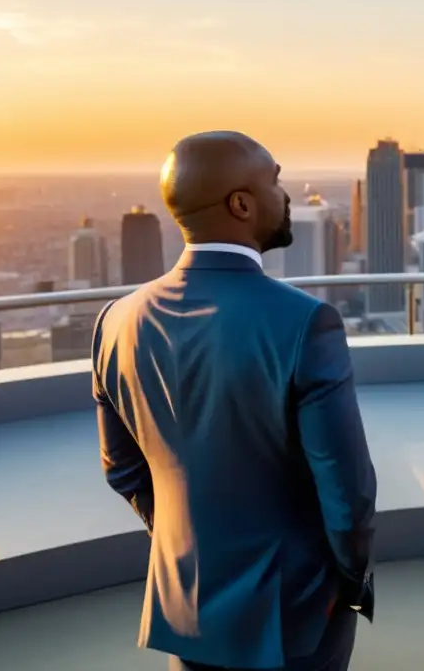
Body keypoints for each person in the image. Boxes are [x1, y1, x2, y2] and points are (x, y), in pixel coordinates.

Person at [92, 131, 377, 671]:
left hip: (183, 601)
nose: (285, 194)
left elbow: (121, 469)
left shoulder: (116, 321)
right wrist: (352, 580)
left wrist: (185, 536)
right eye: (274, 180)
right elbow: (347, 492)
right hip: (293, 607)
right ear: (240, 204)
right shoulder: (304, 323)